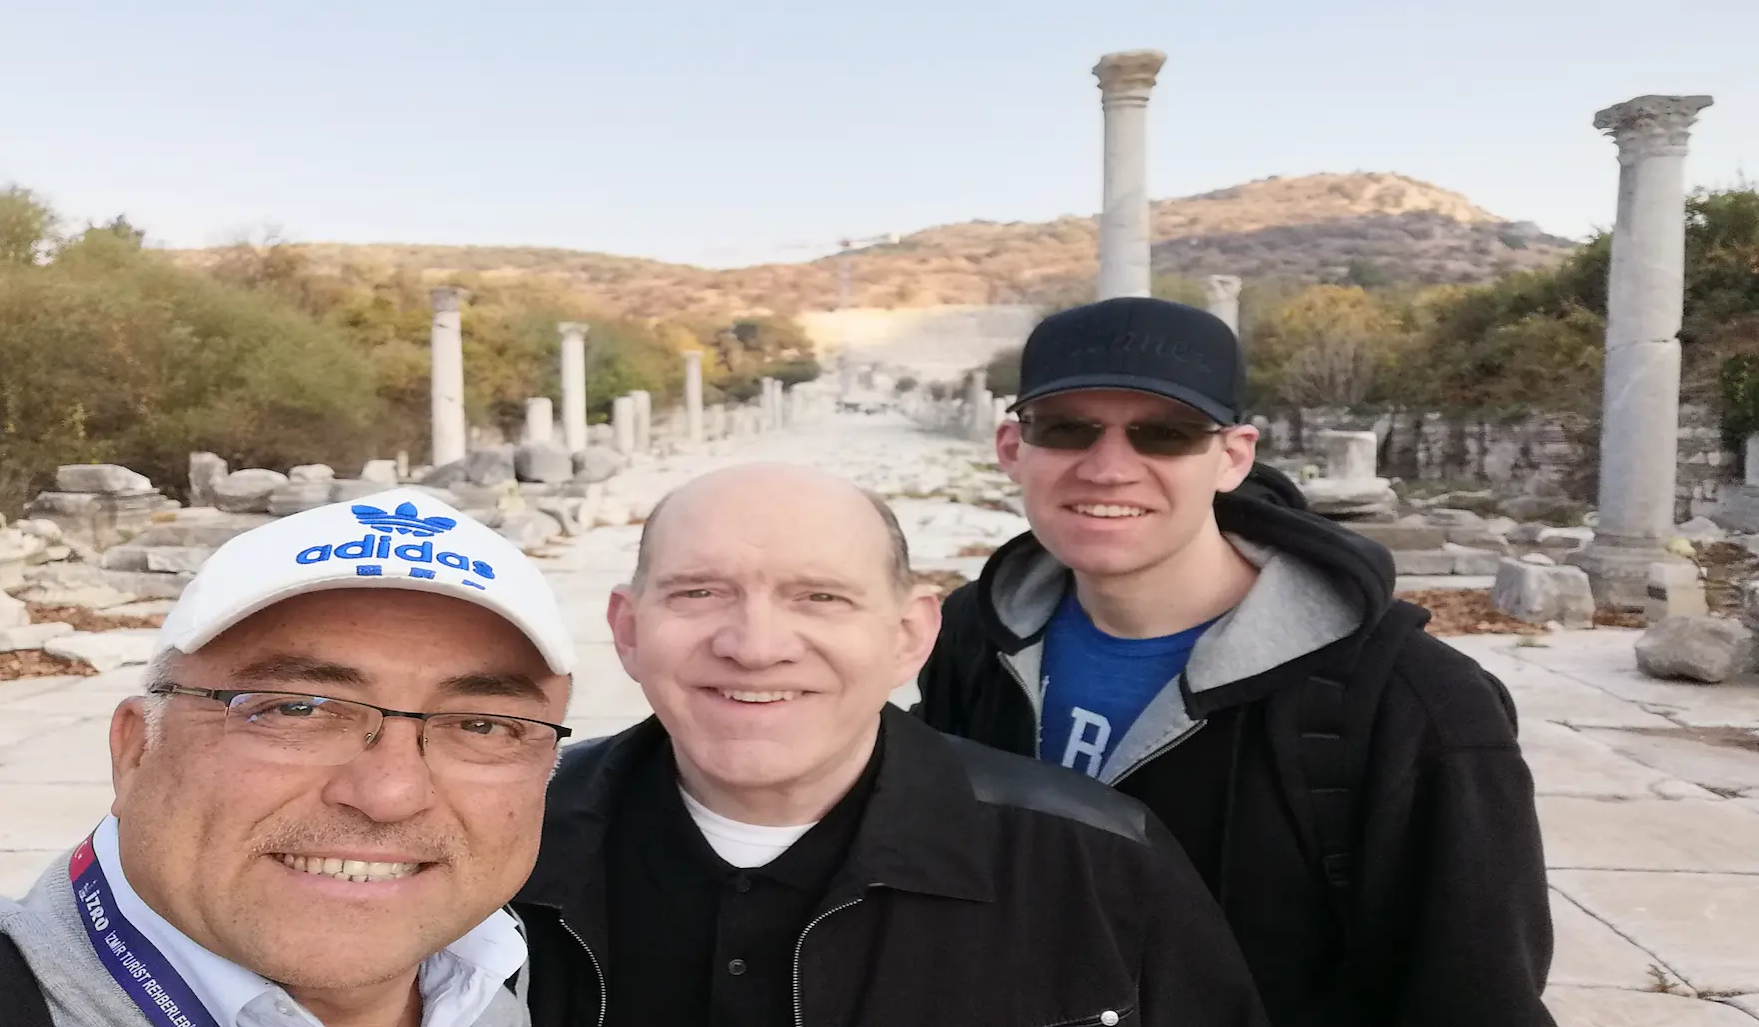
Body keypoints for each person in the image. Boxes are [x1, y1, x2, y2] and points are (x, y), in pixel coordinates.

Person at [914, 296, 1557, 1026]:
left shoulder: (1417, 705)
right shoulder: (973, 637)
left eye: (1166, 434)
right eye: (1067, 429)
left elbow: (1476, 998)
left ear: (1233, 457)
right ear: (1011, 449)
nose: (1108, 469)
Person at [513, 463, 1269, 1027]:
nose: (754, 646)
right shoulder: (501, 839)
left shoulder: (1095, 865)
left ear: (910, 635)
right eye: (699, 592)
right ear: (627, 629)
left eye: (821, 597)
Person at [0, 489, 576, 1027]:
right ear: (134, 751)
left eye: (482, 725)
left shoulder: (497, 977)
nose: (388, 792)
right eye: (296, 708)